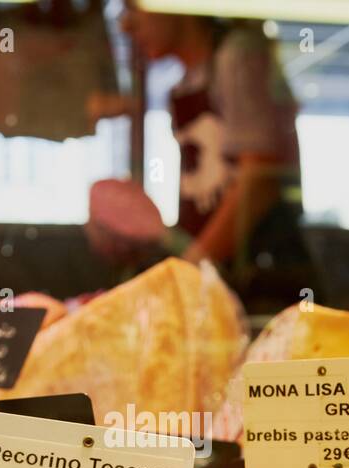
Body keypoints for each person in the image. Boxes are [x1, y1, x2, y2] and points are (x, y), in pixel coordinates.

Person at [94, 8, 313, 310]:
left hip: (263, 281)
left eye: (133, 6)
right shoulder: (184, 82)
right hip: (216, 280)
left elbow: (260, 179)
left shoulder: (237, 53)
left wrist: (191, 265)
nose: (125, 25)